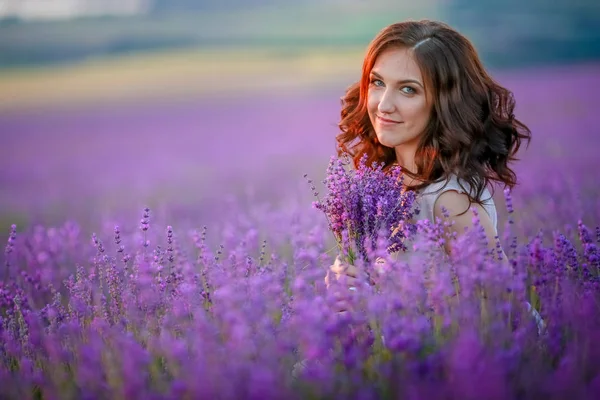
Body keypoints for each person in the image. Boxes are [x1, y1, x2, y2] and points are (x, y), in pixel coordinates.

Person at [325, 19, 532, 291]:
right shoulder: (384, 190)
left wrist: (382, 302)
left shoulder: (448, 200)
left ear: (445, 104)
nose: (384, 105)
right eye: (377, 82)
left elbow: (504, 308)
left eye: (408, 89)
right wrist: (346, 288)